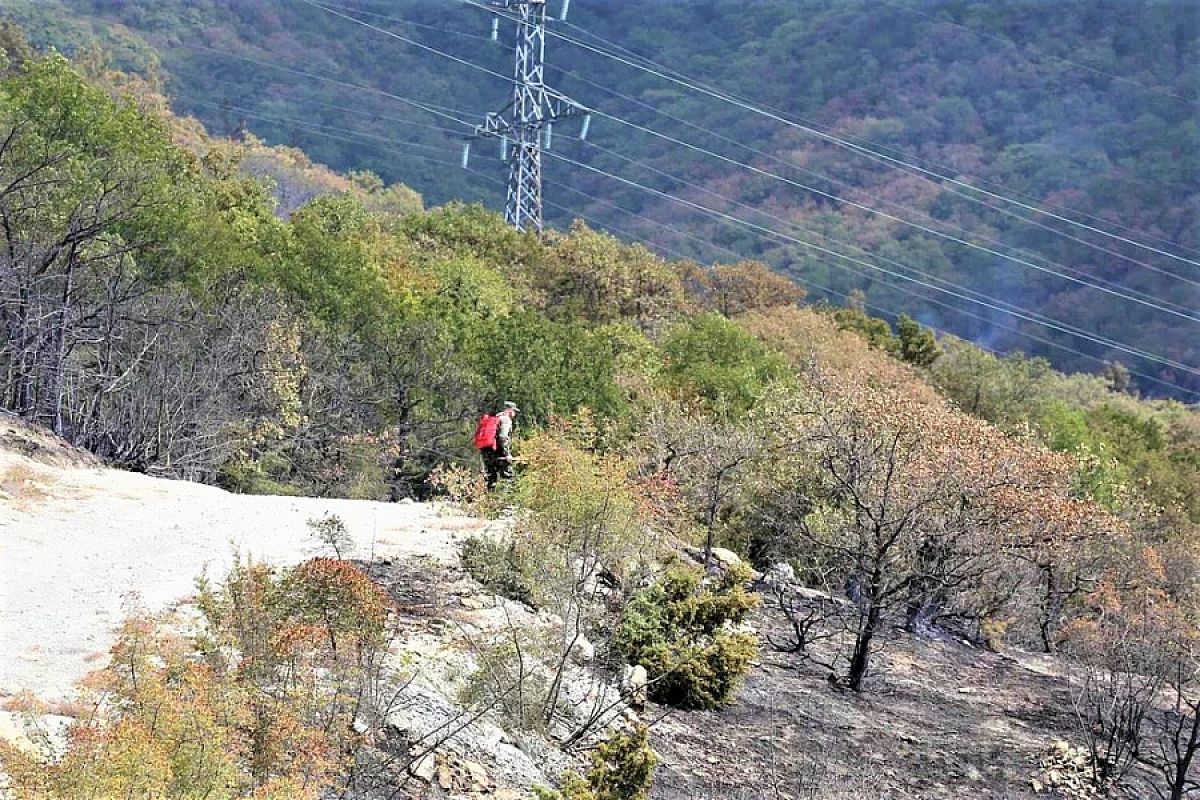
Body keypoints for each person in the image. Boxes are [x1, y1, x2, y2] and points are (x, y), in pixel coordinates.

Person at [478, 401, 519, 489]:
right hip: (497, 452)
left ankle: (488, 500)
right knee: (508, 477)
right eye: (514, 411)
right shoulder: (506, 419)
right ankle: (507, 500)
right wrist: (507, 454)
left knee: (490, 478)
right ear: (509, 410)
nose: (515, 414)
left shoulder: (495, 417)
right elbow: (503, 437)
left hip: (486, 451)